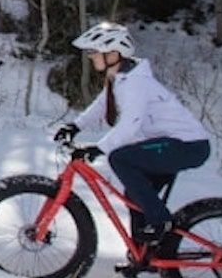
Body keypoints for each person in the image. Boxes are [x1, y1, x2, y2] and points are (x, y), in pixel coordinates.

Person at [55, 21, 211, 248]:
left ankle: (161, 222)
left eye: (94, 52)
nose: (90, 57)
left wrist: (99, 148)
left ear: (113, 53)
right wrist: (76, 126)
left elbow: (131, 123)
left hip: (186, 146)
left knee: (119, 158)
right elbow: (102, 104)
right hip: (172, 145)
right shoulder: (122, 77)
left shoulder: (136, 83)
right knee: (134, 194)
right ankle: (144, 252)